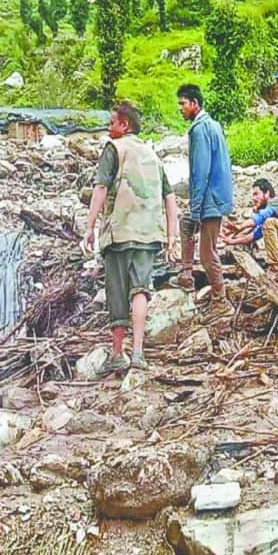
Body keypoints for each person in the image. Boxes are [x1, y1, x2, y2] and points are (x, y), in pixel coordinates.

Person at [82, 103, 180, 373]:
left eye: (112, 122)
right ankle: (138, 353)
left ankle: (117, 353)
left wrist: (90, 226)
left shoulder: (114, 149)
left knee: (117, 292)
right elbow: (170, 198)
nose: (108, 127)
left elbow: (100, 188)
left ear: (124, 125)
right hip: (148, 234)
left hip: (119, 232)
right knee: (141, 290)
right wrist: (172, 235)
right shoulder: (152, 154)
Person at [172, 84, 233, 311]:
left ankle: (221, 299)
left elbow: (200, 171)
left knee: (207, 253)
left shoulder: (199, 130)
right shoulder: (213, 125)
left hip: (210, 198)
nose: (180, 108)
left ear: (194, 104)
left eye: (183, 104)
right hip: (217, 195)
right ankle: (186, 274)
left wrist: (196, 207)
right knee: (186, 223)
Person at [221, 178, 278, 273]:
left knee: (269, 222)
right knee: (267, 224)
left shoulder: (277, 202)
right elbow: (254, 236)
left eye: (256, 194)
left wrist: (240, 227)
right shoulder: (272, 215)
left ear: (266, 193)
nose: (253, 198)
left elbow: (260, 217)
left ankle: (275, 268)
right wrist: (231, 241)